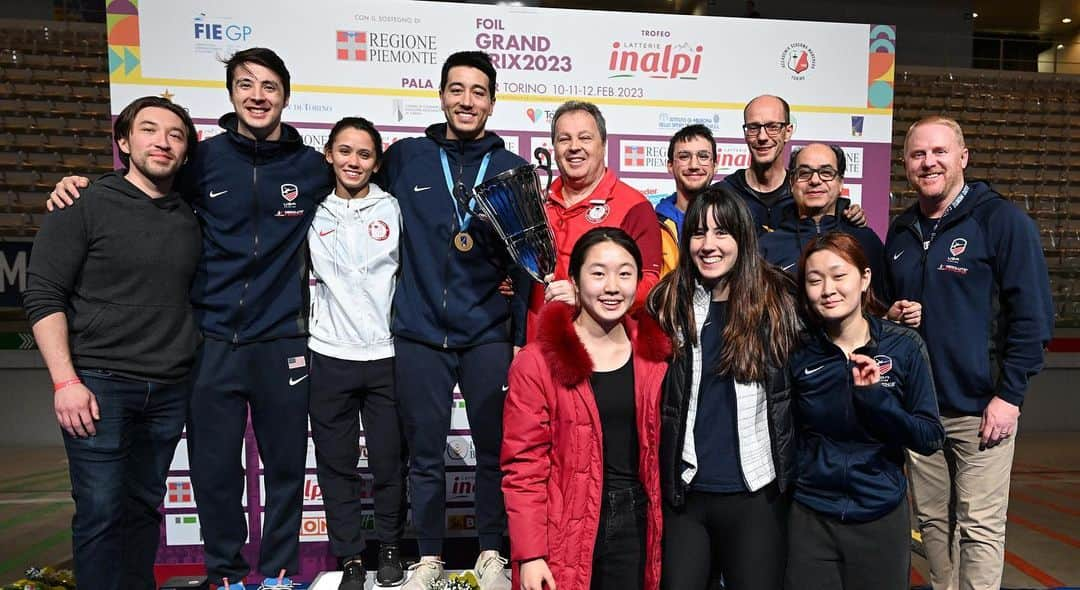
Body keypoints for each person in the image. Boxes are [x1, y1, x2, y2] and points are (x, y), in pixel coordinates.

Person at [49, 48, 333, 590]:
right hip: (209, 339)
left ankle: (275, 574)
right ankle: (225, 574)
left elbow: (367, 181)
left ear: (286, 97)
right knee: (214, 471)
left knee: (287, 468)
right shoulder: (202, 159)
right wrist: (76, 183)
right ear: (230, 93)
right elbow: (140, 188)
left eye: (269, 86)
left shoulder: (310, 167)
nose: (257, 95)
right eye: (246, 84)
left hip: (282, 340)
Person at [24, 96, 201, 590]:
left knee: (143, 508)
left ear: (186, 152)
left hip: (168, 390)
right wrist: (66, 381)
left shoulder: (190, 215)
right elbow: (42, 296)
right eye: (148, 130)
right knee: (100, 512)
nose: (162, 142)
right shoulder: (82, 202)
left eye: (175, 135)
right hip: (98, 388)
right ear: (124, 142)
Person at [376, 50, 526, 590]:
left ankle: (491, 552)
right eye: (457, 89)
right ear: (441, 95)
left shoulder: (512, 170)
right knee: (424, 456)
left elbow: (526, 262)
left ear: (492, 101)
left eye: (478, 91)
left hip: (487, 331)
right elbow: (344, 184)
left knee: (495, 451)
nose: (467, 100)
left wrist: (520, 337)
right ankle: (430, 557)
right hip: (418, 331)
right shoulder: (407, 158)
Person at [886, 116, 1054, 590]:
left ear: (963, 158)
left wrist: (1010, 396)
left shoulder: (1001, 221)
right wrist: (894, 315)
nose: (928, 162)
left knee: (979, 527)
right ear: (906, 164)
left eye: (939, 152)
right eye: (918, 154)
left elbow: (1033, 317)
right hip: (920, 411)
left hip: (983, 410)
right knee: (934, 527)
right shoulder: (901, 232)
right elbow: (883, 314)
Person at [647, 185, 801, 590]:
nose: (708, 245)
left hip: (756, 493)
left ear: (742, 238)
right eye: (698, 233)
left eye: (722, 233)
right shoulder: (668, 302)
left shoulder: (778, 301)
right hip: (687, 495)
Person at [502, 227, 670, 590]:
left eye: (625, 274)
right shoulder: (537, 362)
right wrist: (531, 555)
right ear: (574, 282)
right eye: (598, 273)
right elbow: (523, 467)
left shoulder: (657, 355)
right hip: (565, 525)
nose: (612, 286)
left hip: (639, 523)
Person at [785, 232, 944, 590]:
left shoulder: (903, 346)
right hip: (811, 517)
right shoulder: (798, 352)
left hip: (880, 516)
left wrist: (877, 400)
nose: (828, 289)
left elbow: (930, 436)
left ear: (865, 279)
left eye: (839, 276)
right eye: (815, 280)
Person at [307, 117, 406, 588]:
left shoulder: (394, 207)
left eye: (364, 154)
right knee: (336, 465)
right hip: (328, 354)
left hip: (386, 354)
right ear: (328, 154)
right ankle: (350, 557)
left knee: (388, 461)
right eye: (344, 151)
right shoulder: (312, 208)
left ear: (377, 162)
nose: (353, 162)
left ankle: (390, 546)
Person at [531, 101, 662, 335]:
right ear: (553, 147)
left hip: (603, 347)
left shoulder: (635, 206)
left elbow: (651, 284)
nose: (574, 147)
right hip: (539, 345)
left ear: (603, 145)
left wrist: (585, 295)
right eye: (564, 139)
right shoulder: (536, 205)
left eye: (585, 138)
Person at [758, 143, 890, 304]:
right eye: (804, 173)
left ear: (840, 182)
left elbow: (881, 307)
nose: (815, 180)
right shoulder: (767, 247)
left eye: (826, 173)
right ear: (792, 182)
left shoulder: (866, 240)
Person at [720, 95, 864, 232]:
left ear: (788, 132)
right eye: (753, 128)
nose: (762, 136)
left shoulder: (808, 191)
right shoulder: (723, 193)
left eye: (773, 127)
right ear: (745, 134)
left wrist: (853, 217)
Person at [656, 125, 717, 274]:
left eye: (703, 156)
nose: (694, 165)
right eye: (684, 156)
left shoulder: (732, 219)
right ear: (670, 165)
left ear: (715, 166)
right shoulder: (654, 224)